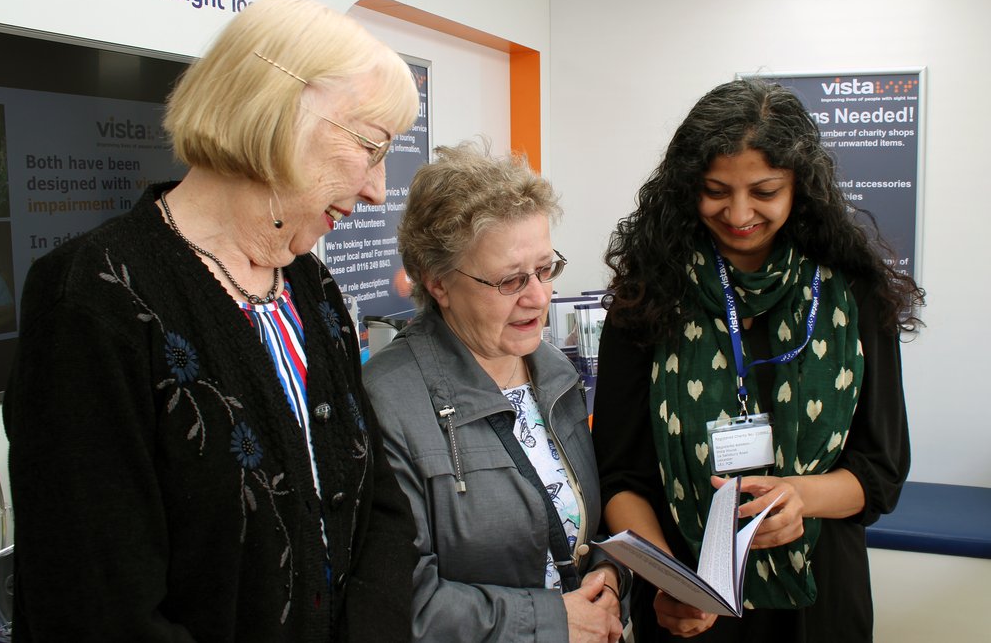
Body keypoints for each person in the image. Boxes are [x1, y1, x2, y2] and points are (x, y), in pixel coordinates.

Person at [3, 0, 419, 642]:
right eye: (371, 146)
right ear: (280, 113)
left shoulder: (310, 285)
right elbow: (96, 607)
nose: (378, 189)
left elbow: (379, 506)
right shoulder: (96, 296)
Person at [592, 78, 924, 642]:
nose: (738, 212)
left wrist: (802, 496)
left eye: (765, 190)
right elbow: (621, 476)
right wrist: (669, 582)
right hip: (690, 603)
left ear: (802, 187)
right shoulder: (648, 296)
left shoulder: (852, 294)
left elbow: (881, 470)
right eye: (716, 189)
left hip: (820, 602)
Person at [362, 142, 627, 643]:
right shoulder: (389, 400)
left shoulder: (552, 371)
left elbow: (588, 523)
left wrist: (612, 576)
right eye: (510, 280)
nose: (539, 296)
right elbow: (404, 603)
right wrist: (554, 623)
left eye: (546, 269)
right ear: (439, 282)